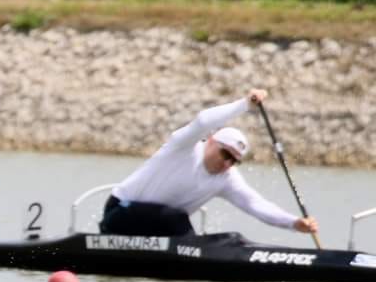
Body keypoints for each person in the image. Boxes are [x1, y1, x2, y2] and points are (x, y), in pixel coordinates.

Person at [99, 89, 320, 237]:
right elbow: (204, 120)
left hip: (158, 228)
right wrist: (245, 104)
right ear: (212, 141)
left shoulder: (226, 179)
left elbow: (255, 205)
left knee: (198, 229)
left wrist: (294, 223)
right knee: (176, 218)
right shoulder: (184, 147)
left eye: (234, 161)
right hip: (119, 213)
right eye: (226, 155)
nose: (227, 164)